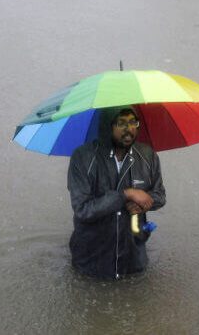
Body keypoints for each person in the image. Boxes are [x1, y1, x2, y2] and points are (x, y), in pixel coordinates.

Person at [67, 106, 166, 279]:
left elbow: (160, 196)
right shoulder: (82, 157)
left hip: (134, 258)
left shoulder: (148, 155)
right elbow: (83, 209)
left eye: (133, 122)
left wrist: (144, 202)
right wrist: (125, 195)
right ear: (107, 125)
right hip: (91, 260)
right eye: (121, 123)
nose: (129, 129)